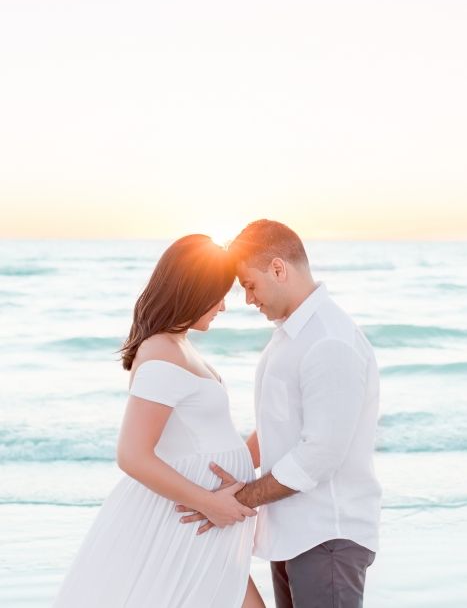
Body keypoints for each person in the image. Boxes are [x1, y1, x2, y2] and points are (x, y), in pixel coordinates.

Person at [53, 234, 265, 608]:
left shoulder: (177, 345)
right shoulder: (162, 352)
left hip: (202, 517)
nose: (223, 307)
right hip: (186, 517)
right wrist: (210, 503)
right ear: (194, 291)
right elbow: (132, 455)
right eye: (219, 295)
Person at [177, 220, 381, 608]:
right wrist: (233, 473)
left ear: (277, 269)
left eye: (249, 285)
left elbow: (319, 455)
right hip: (293, 530)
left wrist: (240, 498)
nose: (248, 300)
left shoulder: (329, 341)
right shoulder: (293, 334)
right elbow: (278, 423)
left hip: (327, 537)